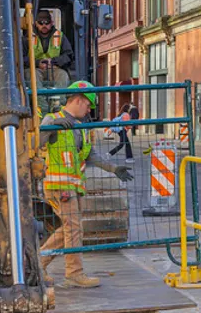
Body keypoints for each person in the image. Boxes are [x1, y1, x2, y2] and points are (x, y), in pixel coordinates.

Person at [40, 81, 134, 288]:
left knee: (71, 228)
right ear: (78, 100)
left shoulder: (81, 127)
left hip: (72, 185)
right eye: (88, 105)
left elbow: (91, 154)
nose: (89, 109)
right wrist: (48, 128)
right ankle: (74, 273)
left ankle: (38, 264)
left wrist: (113, 169)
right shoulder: (52, 119)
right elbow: (33, 144)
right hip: (58, 185)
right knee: (73, 229)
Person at [32, 9, 74, 89]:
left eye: (47, 22)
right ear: (36, 24)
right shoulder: (27, 38)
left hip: (54, 68)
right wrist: (38, 63)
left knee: (63, 75)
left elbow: (68, 56)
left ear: (52, 23)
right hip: (35, 69)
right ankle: (39, 101)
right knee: (31, 76)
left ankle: (59, 100)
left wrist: (53, 62)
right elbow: (21, 58)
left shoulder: (60, 36)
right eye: (41, 23)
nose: (44, 25)